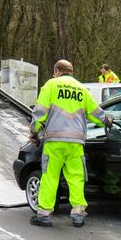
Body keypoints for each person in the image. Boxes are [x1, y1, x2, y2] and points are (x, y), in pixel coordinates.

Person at [29, 59, 112, 227]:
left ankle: (44, 215)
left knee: (50, 177)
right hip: (76, 143)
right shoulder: (82, 89)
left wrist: (33, 132)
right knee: (76, 178)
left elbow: (40, 113)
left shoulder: (51, 85)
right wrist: (108, 121)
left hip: (55, 142)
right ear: (72, 72)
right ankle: (78, 214)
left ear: (57, 71)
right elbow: (96, 113)